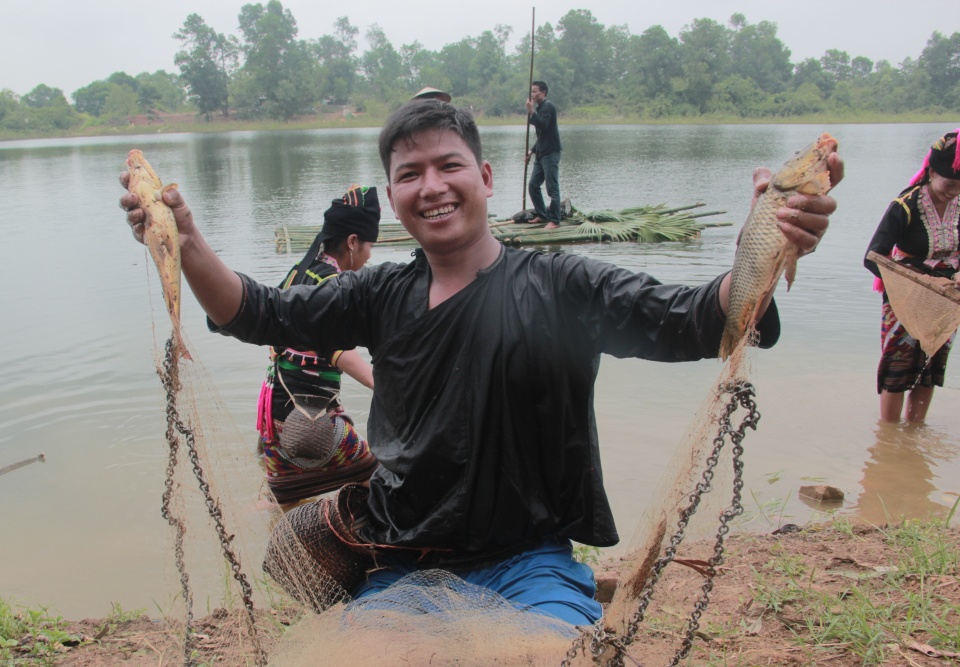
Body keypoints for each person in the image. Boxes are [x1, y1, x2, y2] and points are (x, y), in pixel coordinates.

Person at [120, 99, 841, 627]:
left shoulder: (564, 286)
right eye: (410, 174)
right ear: (395, 195)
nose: (431, 185)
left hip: (531, 564)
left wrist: (769, 243)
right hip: (405, 565)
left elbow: (699, 319)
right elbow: (258, 312)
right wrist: (186, 238)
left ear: (487, 176)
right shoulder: (377, 293)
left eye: (448, 165)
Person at [256, 185, 381, 504]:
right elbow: (336, 349)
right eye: (368, 247)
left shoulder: (299, 273)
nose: (368, 257)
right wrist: (384, 386)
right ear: (352, 243)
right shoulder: (333, 284)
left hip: (275, 416)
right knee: (378, 477)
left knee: (281, 504)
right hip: (306, 420)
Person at [864, 130, 960, 423]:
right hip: (906, 296)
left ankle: (913, 434)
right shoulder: (904, 206)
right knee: (897, 368)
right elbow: (873, 257)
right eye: (950, 184)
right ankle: (889, 433)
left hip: (946, 299)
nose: (954, 191)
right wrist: (920, 283)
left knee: (929, 368)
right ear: (931, 172)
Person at [525, 80, 562, 229]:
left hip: (550, 153)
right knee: (533, 185)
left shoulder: (548, 107)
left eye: (535, 91)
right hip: (541, 153)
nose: (532, 94)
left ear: (543, 92)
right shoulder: (540, 108)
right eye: (531, 91)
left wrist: (531, 112)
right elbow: (542, 136)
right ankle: (542, 215)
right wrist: (531, 151)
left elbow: (544, 125)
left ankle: (555, 221)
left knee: (552, 188)